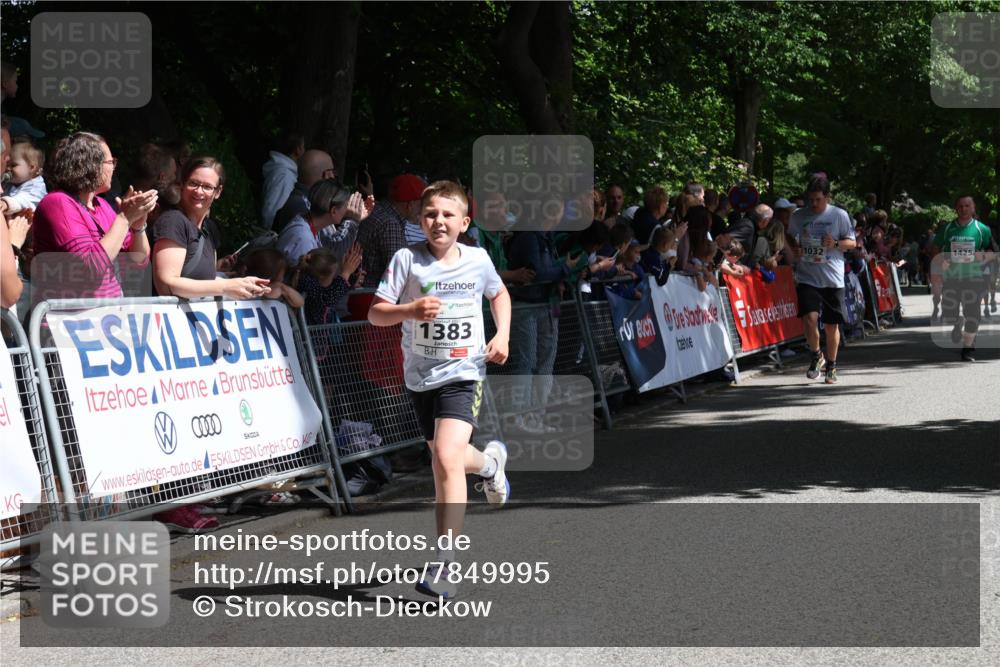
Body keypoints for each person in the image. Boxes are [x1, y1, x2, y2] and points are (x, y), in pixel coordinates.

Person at [369, 180, 511, 599]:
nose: (439, 221)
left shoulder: (478, 258)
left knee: (445, 458)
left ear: (464, 222)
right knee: (446, 458)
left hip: (464, 372)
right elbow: (377, 313)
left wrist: (502, 334)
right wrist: (408, 309)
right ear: (420, 219)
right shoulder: (406, 260)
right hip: (420, 376)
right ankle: (488, 465)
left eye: (448, 215)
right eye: (431, 214)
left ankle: (445, 562)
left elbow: (499, 293)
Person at [32, 132, 156, 301]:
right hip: (67, 321)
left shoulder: (101, 205)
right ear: (89, 165)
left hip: (103, 319)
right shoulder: (58, 203)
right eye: (110, 162)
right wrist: (125, 219)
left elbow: (137, 263)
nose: (113, 167)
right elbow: (90, 269)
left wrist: (138, 226)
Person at [151, 156, 270, 300]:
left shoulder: (210, 228)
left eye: (207, 187)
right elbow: (166, 285)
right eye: (193, 183)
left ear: (218, 192)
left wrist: (244, 284)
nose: (199, 191)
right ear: (182, 184)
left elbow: (205, 282)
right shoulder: (173, 221)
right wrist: (226, 287)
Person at [788, 174, 856, 383]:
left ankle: (832, 365)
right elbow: (791, 238)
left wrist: (835, 244)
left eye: (818, 199)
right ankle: (817, 355)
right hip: (807, 276)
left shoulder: (839, 215)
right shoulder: (798, 216)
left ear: (827, 197)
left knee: (830, 325)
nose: (814, 204)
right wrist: (796, 250)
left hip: (832, 278)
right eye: (811, 199)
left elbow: (852, 243)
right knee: (809, 318)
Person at [930, 195, 994, 362]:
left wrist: (984, 256)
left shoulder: (982, 229)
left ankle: (967, 348)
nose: (964, 209)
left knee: (973, 313)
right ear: (956, 209)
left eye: (967, 206)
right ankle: (957, 322)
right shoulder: (947, 228)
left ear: (973, 208)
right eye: (960, 206)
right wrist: (939, 262)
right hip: (951, 277)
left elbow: (991, 251)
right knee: (949, 313)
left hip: (975, 277)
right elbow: (936, 248)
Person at [275, 179, 371, 266]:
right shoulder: (303, 240)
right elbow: (306, 283)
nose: (348, 209)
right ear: (333, 211)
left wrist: (353, 221)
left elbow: (332, 249)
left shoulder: (308, 224)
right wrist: (344, 275)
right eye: (346, 205)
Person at [357, 173, 427, 288]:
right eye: (420, 205)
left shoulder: (376, 210)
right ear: (410, 205)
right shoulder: (390, 224)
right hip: (373, 297)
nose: (422, 210)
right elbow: (399, 273)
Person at [295, 245, 364, 325]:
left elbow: (337, 288)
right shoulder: (308, 285)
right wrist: (346, 273)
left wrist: (352, 274)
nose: (334, 279)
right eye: (332, 276)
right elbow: (329, 297)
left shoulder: (311, 281)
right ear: (322, 277)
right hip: (313, 334)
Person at [272, 149, 336, 233]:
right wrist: (351, 220)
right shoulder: (303, 207)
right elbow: (321, 243)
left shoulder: (302, 201)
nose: (333, 176)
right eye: (332, 171)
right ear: (326, 175)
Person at [260, 131, 305, 229]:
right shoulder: (284, 175)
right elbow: (271, 212)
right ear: (298, 150)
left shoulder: (284, 172)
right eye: (303, 147)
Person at [2, 141, 46, 213]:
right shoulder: (11, 182)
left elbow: (24, 201)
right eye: (7, 164)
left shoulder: (36, 188)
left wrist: (6, 203)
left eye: (13, 165)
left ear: (32, 168)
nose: (8, 168)